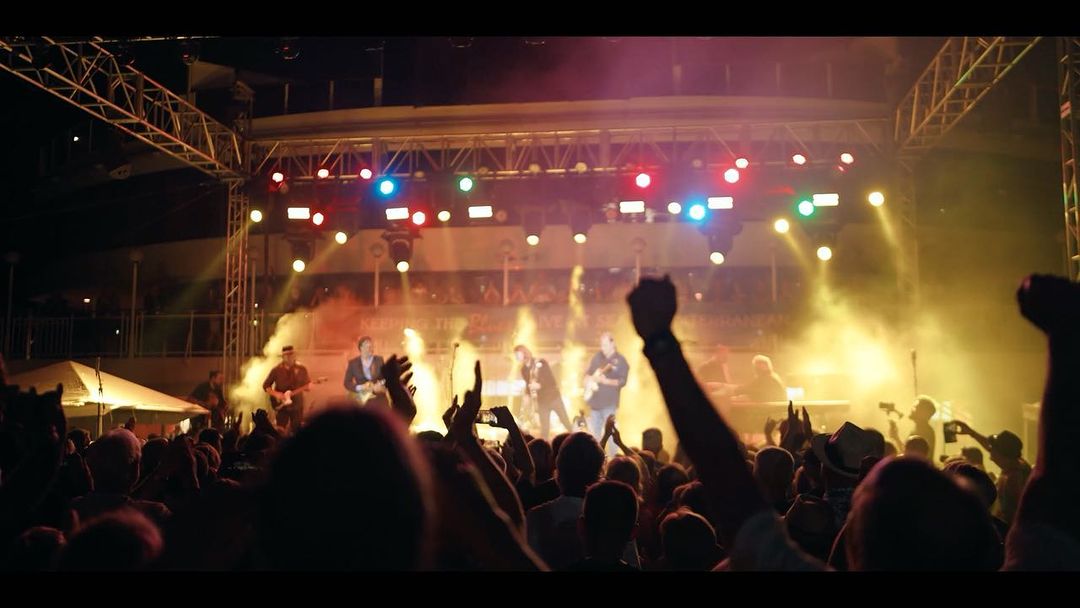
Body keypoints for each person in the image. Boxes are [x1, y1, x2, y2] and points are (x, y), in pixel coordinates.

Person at [951, 421, 1031, 526]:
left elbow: (1012, 515)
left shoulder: (1013, 479)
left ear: (1001, 453)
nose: (989, 451)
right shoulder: (1017, 463)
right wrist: (971, 433)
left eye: (992, 449)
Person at [515, 345, 573, 441]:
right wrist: (527, 394)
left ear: (524, 353)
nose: (516, 357)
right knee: (544, 429)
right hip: (542, 402)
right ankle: (545, 448)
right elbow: (528, 384)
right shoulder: (523, 369)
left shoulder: (540, 362)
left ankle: (577, 440)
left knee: (565, 421)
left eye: (518, 354)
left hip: (554, 398)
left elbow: (551, 379)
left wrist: (540, 385)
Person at [583, 332, 629, 452]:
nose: (602, 347)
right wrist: (588, 380)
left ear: (613, 344)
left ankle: (614, 458)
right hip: (595, 403)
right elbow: (588, 373)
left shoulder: (620, 360)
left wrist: (605, 381)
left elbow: (622, 381)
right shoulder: (597, 357)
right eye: (601, 345)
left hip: (609, 404)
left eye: (605, 345)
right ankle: (597, 458)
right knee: (594, 436)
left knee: (611, 434)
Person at [263, 345, 312, 433]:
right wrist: (276, 394)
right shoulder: (276, 370)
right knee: (280, 430)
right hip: (281, 406)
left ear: (294, 356)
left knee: (297, 430)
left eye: (291, 355)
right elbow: (266, 385)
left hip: (297, 405)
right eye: (287, 355)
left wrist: (308, 387)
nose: (289, 357)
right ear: (283, 357)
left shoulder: (302, 369)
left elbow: (307, 385)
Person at [888, 396, 938, 463]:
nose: (911, 409)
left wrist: (896, 438)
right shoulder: (920, 429)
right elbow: (908, 454)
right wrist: (896, 438)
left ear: (923, 413)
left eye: (915, 407)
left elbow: (910, 456)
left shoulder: (924, 431)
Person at [343, 336, 388, 408]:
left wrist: (381, 386)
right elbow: (347, 382)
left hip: (379, 400)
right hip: (362, 401)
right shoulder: (353, 363)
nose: (371, 349)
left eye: (371, 346)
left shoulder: (379, 360)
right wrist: (360, 387)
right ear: (361, 348)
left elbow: (385, 378)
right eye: (368, 347)